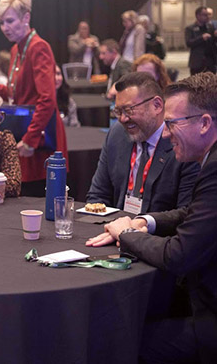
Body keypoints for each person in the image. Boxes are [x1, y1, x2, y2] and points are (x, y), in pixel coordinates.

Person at [86, 72, 217, 363]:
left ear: (205, 123)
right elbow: (192, 212)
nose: (166, 133)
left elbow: (179, 255)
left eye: (172, 124)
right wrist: (146, 222)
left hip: (207, 315)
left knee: (115, 342)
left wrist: (128, 235)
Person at [0, 0, 67, 197]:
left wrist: (31, 139)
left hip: (39, 133)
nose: (5, 28)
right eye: (1, 22)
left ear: (26, 18)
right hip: (27, 129)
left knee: (37, 196)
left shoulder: (38, 47)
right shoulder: (16, 49)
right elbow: (13, 94)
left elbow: (47, 99)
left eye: (10, 21)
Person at [86, 71, 199, 214]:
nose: (123, 119)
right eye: (118, 111)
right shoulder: (117, 135)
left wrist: (141, 227)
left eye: (128, 110)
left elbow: (185, 212)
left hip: (158, 234)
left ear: (157, 105)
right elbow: (98, 196)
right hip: (114, 229)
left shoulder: (181, 143)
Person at [185, 6, 217, 75]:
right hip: (197, 63)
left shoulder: (211, 27)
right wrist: (201, 38)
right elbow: (188, 43)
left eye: (208, 14)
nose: (207, 16)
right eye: (205, 15)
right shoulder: (190, 28)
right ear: (198, 16)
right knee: (196, 84)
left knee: (211, 84)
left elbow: (214, 42)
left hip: (210, 63)